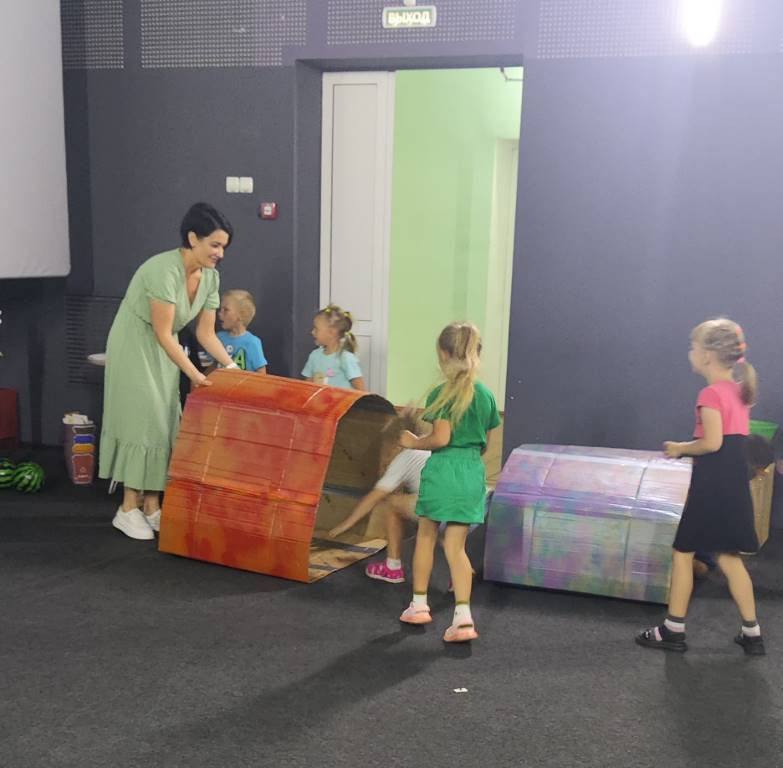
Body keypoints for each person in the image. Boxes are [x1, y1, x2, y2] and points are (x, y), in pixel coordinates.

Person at [99, 203, 238, 541]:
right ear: (193, 238)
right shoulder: (162, 270)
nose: (220, 253)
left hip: (165, 348)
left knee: (164, 420)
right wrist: (195, 375)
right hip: (135, 344)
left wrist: (233, 368)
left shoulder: (211, 278)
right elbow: (162, 332)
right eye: (214, 245)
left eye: (223, 247)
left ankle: (151, 507)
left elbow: (206, 334)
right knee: (143, 420)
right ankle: (127, 508)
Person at [636, 318, 764, 655]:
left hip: (711, 487)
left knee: (683, 553)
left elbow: (712, 443)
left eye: (693, 347)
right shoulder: (739, 391)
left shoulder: (710, 394)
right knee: (730, 557)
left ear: (707, 355)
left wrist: (680, 448)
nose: (689, 353)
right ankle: (752, 634)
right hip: (733, 487)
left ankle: (672, 629)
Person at [397, 322, 500, 643]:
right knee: (456, 547)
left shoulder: (442, 393)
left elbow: (440, 438)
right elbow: (485, 444)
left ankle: (418, 605)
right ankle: (463, 618)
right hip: (471, 472)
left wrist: (414, 441)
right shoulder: (486, 396)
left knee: (426, 536)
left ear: (443, 354)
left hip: (443, 470)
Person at [328, 412, 431, 583]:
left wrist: (345, 524)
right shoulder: (427, 449)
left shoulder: (404, 458)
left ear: (397, 445)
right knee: (446, 535)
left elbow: (373, 497)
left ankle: (393, 567)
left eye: (386, 453)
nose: (386, 460)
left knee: (392, 504)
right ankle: (459, 577)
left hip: (436, 506)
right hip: (464, 506)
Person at [302, 304, 364, 390]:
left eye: (316, 329)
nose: (312, 332)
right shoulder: (314, 355)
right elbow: (308, 384)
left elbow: (360, 388)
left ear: (332, 332)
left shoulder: (345, 358)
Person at [209, 289, 267, 373]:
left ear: (242, 315)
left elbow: (261, 372)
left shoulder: (252, 342)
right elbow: (213, 365)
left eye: (226, 310)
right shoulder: (217, 338)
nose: (219, 313)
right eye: (220, 309)